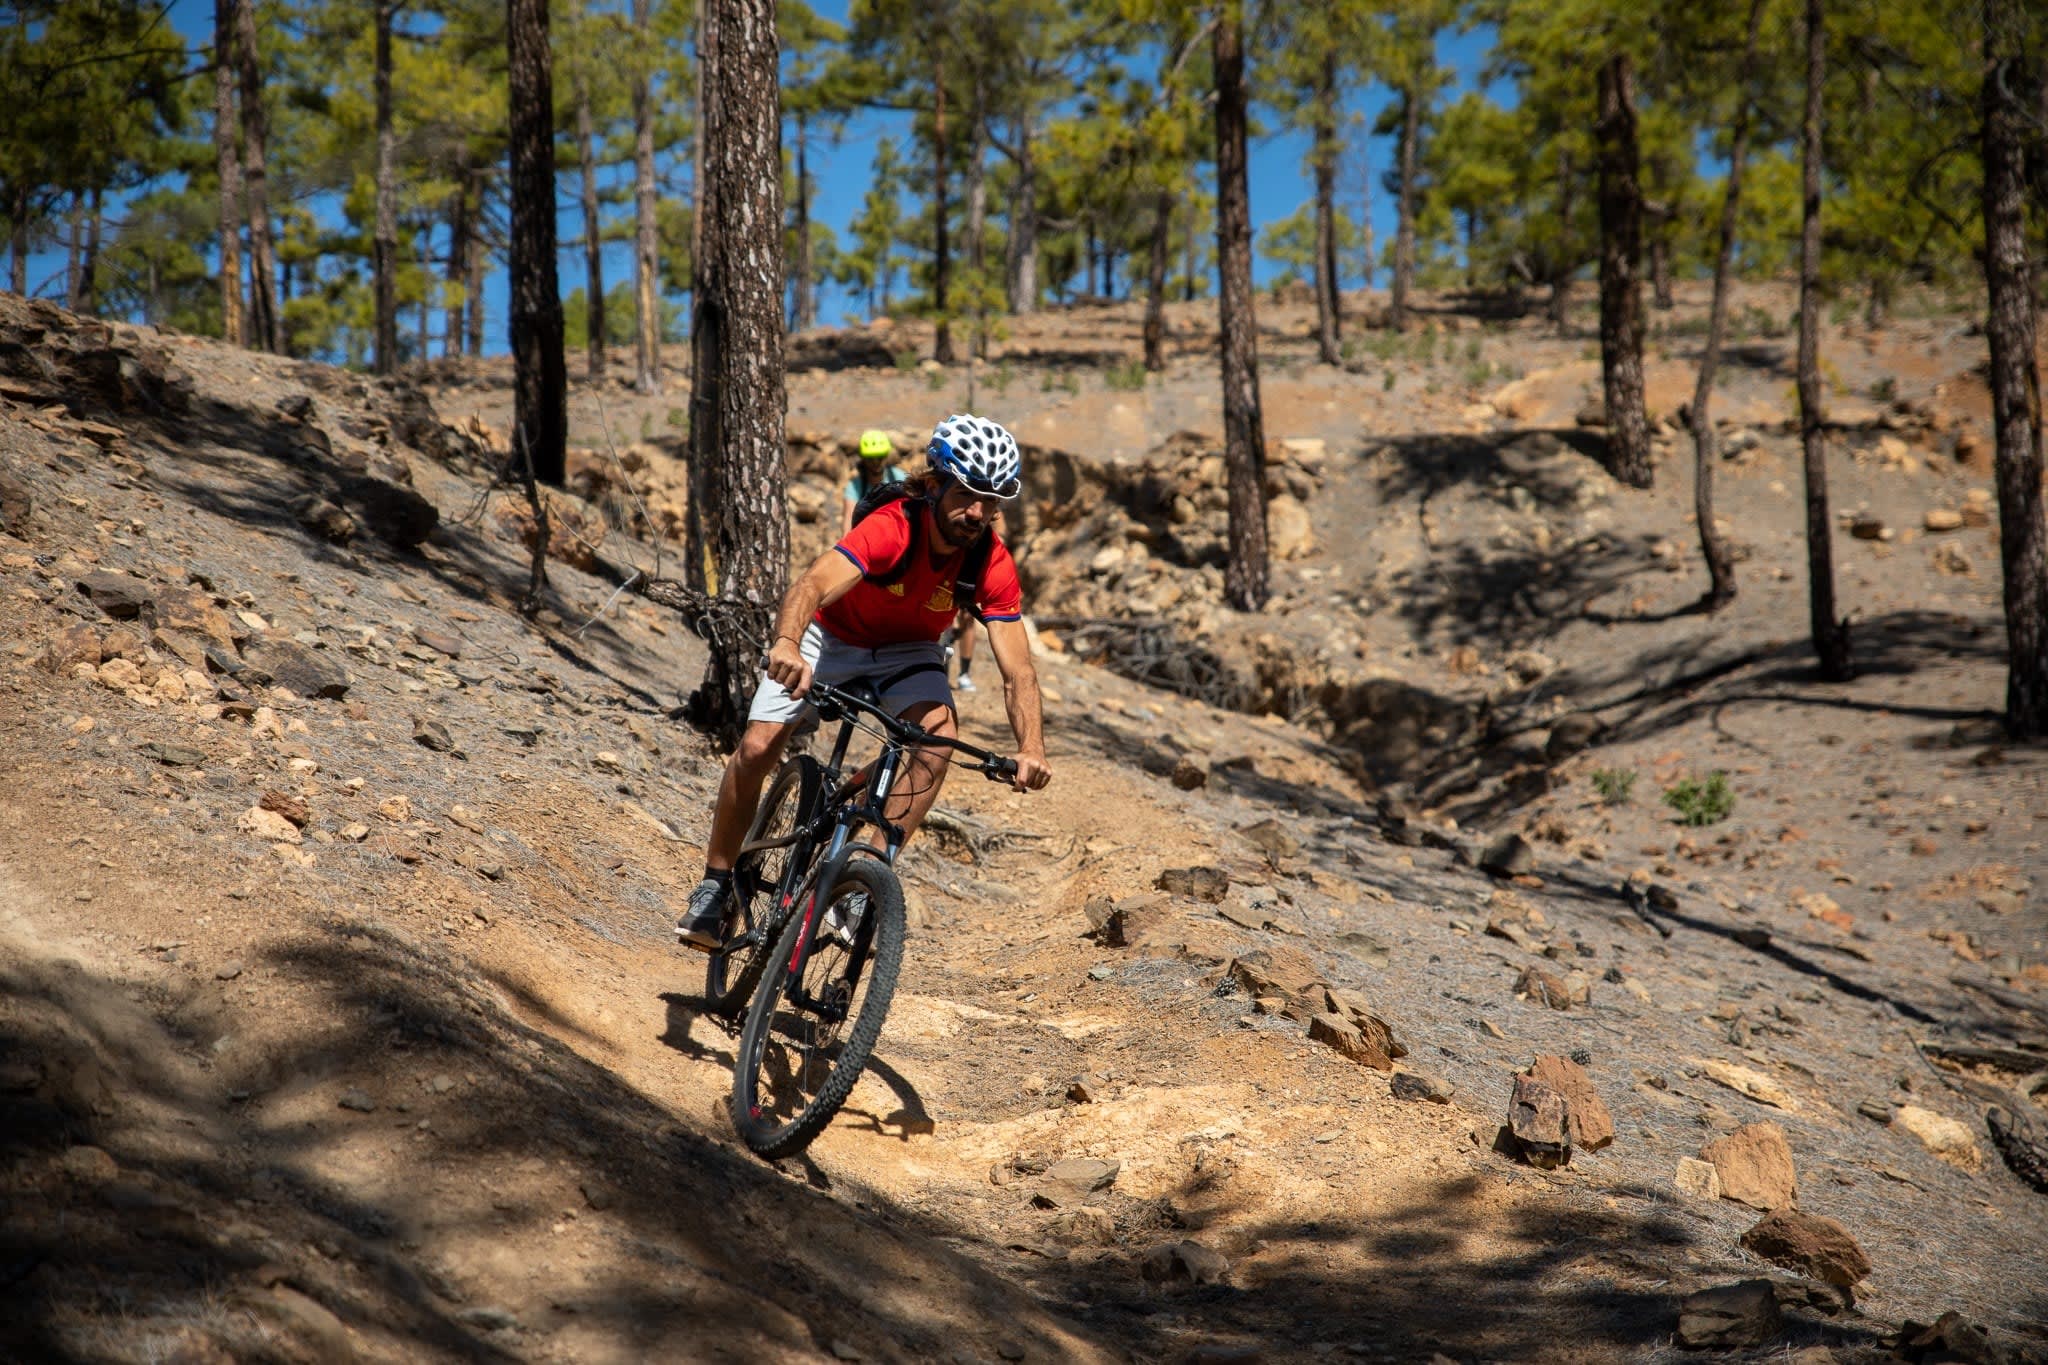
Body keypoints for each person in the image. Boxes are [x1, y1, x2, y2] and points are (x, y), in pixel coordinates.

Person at [677, 414, 1053, 949]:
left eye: (991, 502)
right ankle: (715, 887)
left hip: (909, 652)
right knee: (758, 745)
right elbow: (812, 585)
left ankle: (865, 875)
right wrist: (787, 644)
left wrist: (1031, 747)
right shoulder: (894, 526)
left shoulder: (990, 561)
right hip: (831, 638)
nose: (979, 513)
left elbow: (1019, 671)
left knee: (937, 739)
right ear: (934, 484)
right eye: (968, 495)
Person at [947, 505, 1005, 694]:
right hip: (952, 562)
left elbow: (1000, 538)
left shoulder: (992, 510)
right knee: (948, 619)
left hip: (972, 566)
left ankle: (964, 672)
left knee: (967, 618)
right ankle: (942, 668)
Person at [842, 428, 906, 536]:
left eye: (880, 458)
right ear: (863, 458)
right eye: (871, 458)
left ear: (886, 456)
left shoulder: (899, 478)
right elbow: (848, 520)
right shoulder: (854, 486)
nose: (876, 463)